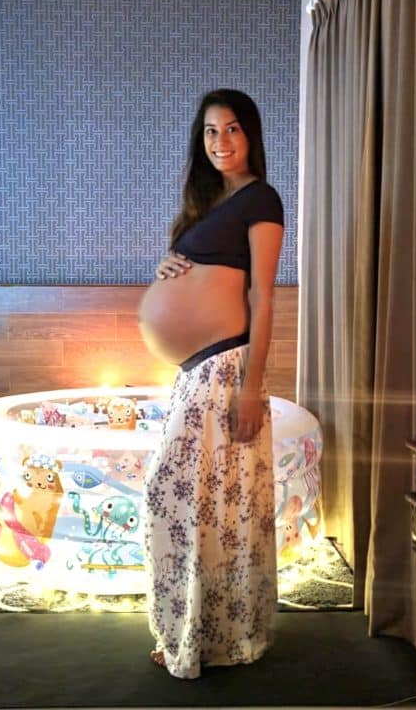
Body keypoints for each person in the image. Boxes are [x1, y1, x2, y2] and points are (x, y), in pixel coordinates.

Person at [138, 88, 284, 679]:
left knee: (201, 501)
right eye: (210, 131)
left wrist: (252, 388)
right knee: (195, 503)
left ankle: (220, 637)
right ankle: (194, 633)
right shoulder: (203, 206)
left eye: (232, 129)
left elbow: (263, 297)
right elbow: (193, 273)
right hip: (194, 372)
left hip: (228, 369)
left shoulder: (260, 198)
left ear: (250, 134)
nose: (221, 141)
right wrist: (165, 267)